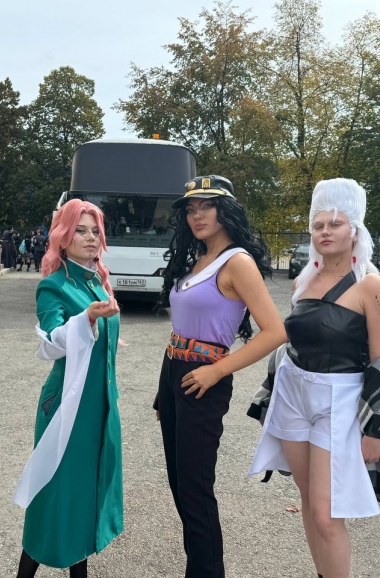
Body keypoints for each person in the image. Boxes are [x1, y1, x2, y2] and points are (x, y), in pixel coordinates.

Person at [248, 178, 380, 578]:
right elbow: (291, 343)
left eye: (335, 224)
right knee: (308, 499)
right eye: (318, 225)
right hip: (293, 398)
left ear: (354, 231)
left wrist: (376, 429)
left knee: (326, 513)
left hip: (339, 402)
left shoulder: (371, 286)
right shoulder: (303, 281)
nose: (325, 231)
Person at [153, 175, 286, 578]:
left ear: (225, 210)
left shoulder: (237, 262)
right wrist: (163, 389)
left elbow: (275, 331)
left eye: (206, 206)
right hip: (175, 373)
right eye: (191, 209)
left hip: (205, 376)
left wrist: (217, 370)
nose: (197, 216)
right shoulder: (198, 258)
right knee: (180, 486)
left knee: (195, 491)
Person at [13, 199, 122, 578]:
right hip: (67, 408)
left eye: (95, 231)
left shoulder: (96, 281)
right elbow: (50, 342)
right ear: (63, 236)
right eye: (81, 230)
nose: (91, 238)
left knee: (83, 496)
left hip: (100, 406)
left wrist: (103, 334)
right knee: (54, 494)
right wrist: (87, 319)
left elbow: (99, 339)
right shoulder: (53, 285)